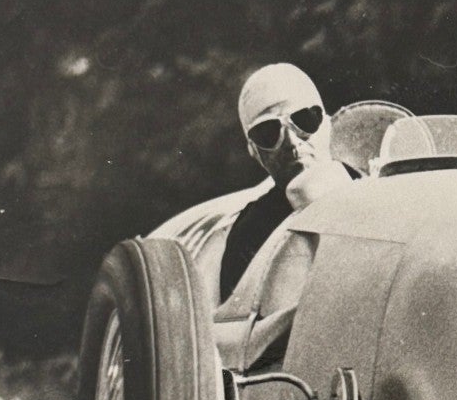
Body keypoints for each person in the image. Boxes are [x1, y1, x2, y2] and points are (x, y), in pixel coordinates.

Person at [151, 62, 356, 309]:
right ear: (253, 151)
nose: (290, 141)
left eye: (304, 119)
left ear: (327, 124)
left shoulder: (376, 184)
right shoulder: (251, 234)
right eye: (268, 133)